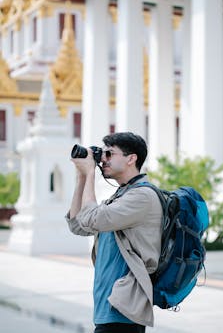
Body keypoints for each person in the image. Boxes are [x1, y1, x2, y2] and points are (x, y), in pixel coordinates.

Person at [65, 132, 163, 333]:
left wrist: (91, 173)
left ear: (131, 158)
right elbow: (77, 224)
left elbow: (92, 218)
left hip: (123, 309)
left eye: (109, 154)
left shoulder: (142, 197)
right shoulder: (121, 196)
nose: (102, 160)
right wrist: (82, 176)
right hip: (107, 307)